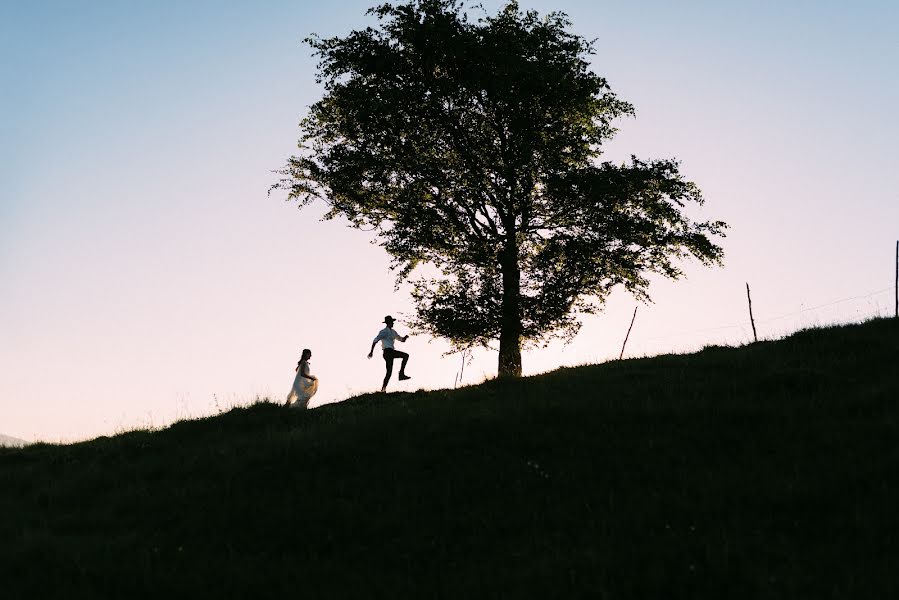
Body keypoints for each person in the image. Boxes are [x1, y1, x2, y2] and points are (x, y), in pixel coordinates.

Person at [368, 315, 411, 392]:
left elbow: (401, 339)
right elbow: (375, 340)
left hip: (391, 352)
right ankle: (401, 375)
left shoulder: (393, 332)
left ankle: (383, 389)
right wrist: (371, 351)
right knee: (405, 356)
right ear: (388, 323)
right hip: (387, 352)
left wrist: (405, 337)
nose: (393, 323)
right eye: (392, 322)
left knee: (389, 372)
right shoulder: (383, 332)